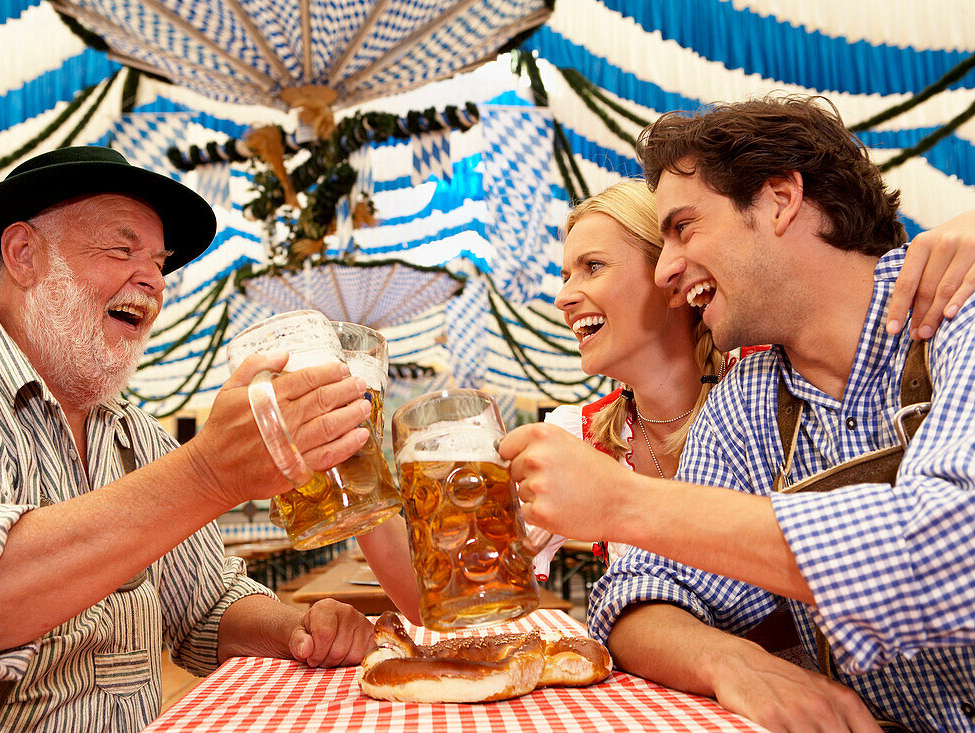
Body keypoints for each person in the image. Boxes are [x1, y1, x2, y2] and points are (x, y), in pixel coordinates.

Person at [502, 95, 975, 732]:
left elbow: (953, 548)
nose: (667, 269)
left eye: (684, 228)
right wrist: (726, 659)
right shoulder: (750, 397)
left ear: (780, 199)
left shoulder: (958, 309)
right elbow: (632, 591)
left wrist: (625, 504)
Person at [0, 146, 375, 731]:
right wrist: (208, 474)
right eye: (121, 250)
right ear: (23, 254)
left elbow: (207, 609)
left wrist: (292, 628)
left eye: (160, 263)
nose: (153, 280)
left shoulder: (137, 434)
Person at [360, 177, 975, 630]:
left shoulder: (768, 395)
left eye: (591, 267)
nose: (564, 297)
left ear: (673, 279)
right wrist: (352, 472)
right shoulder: (579, 436)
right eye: (566, 275)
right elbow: (451, 596)